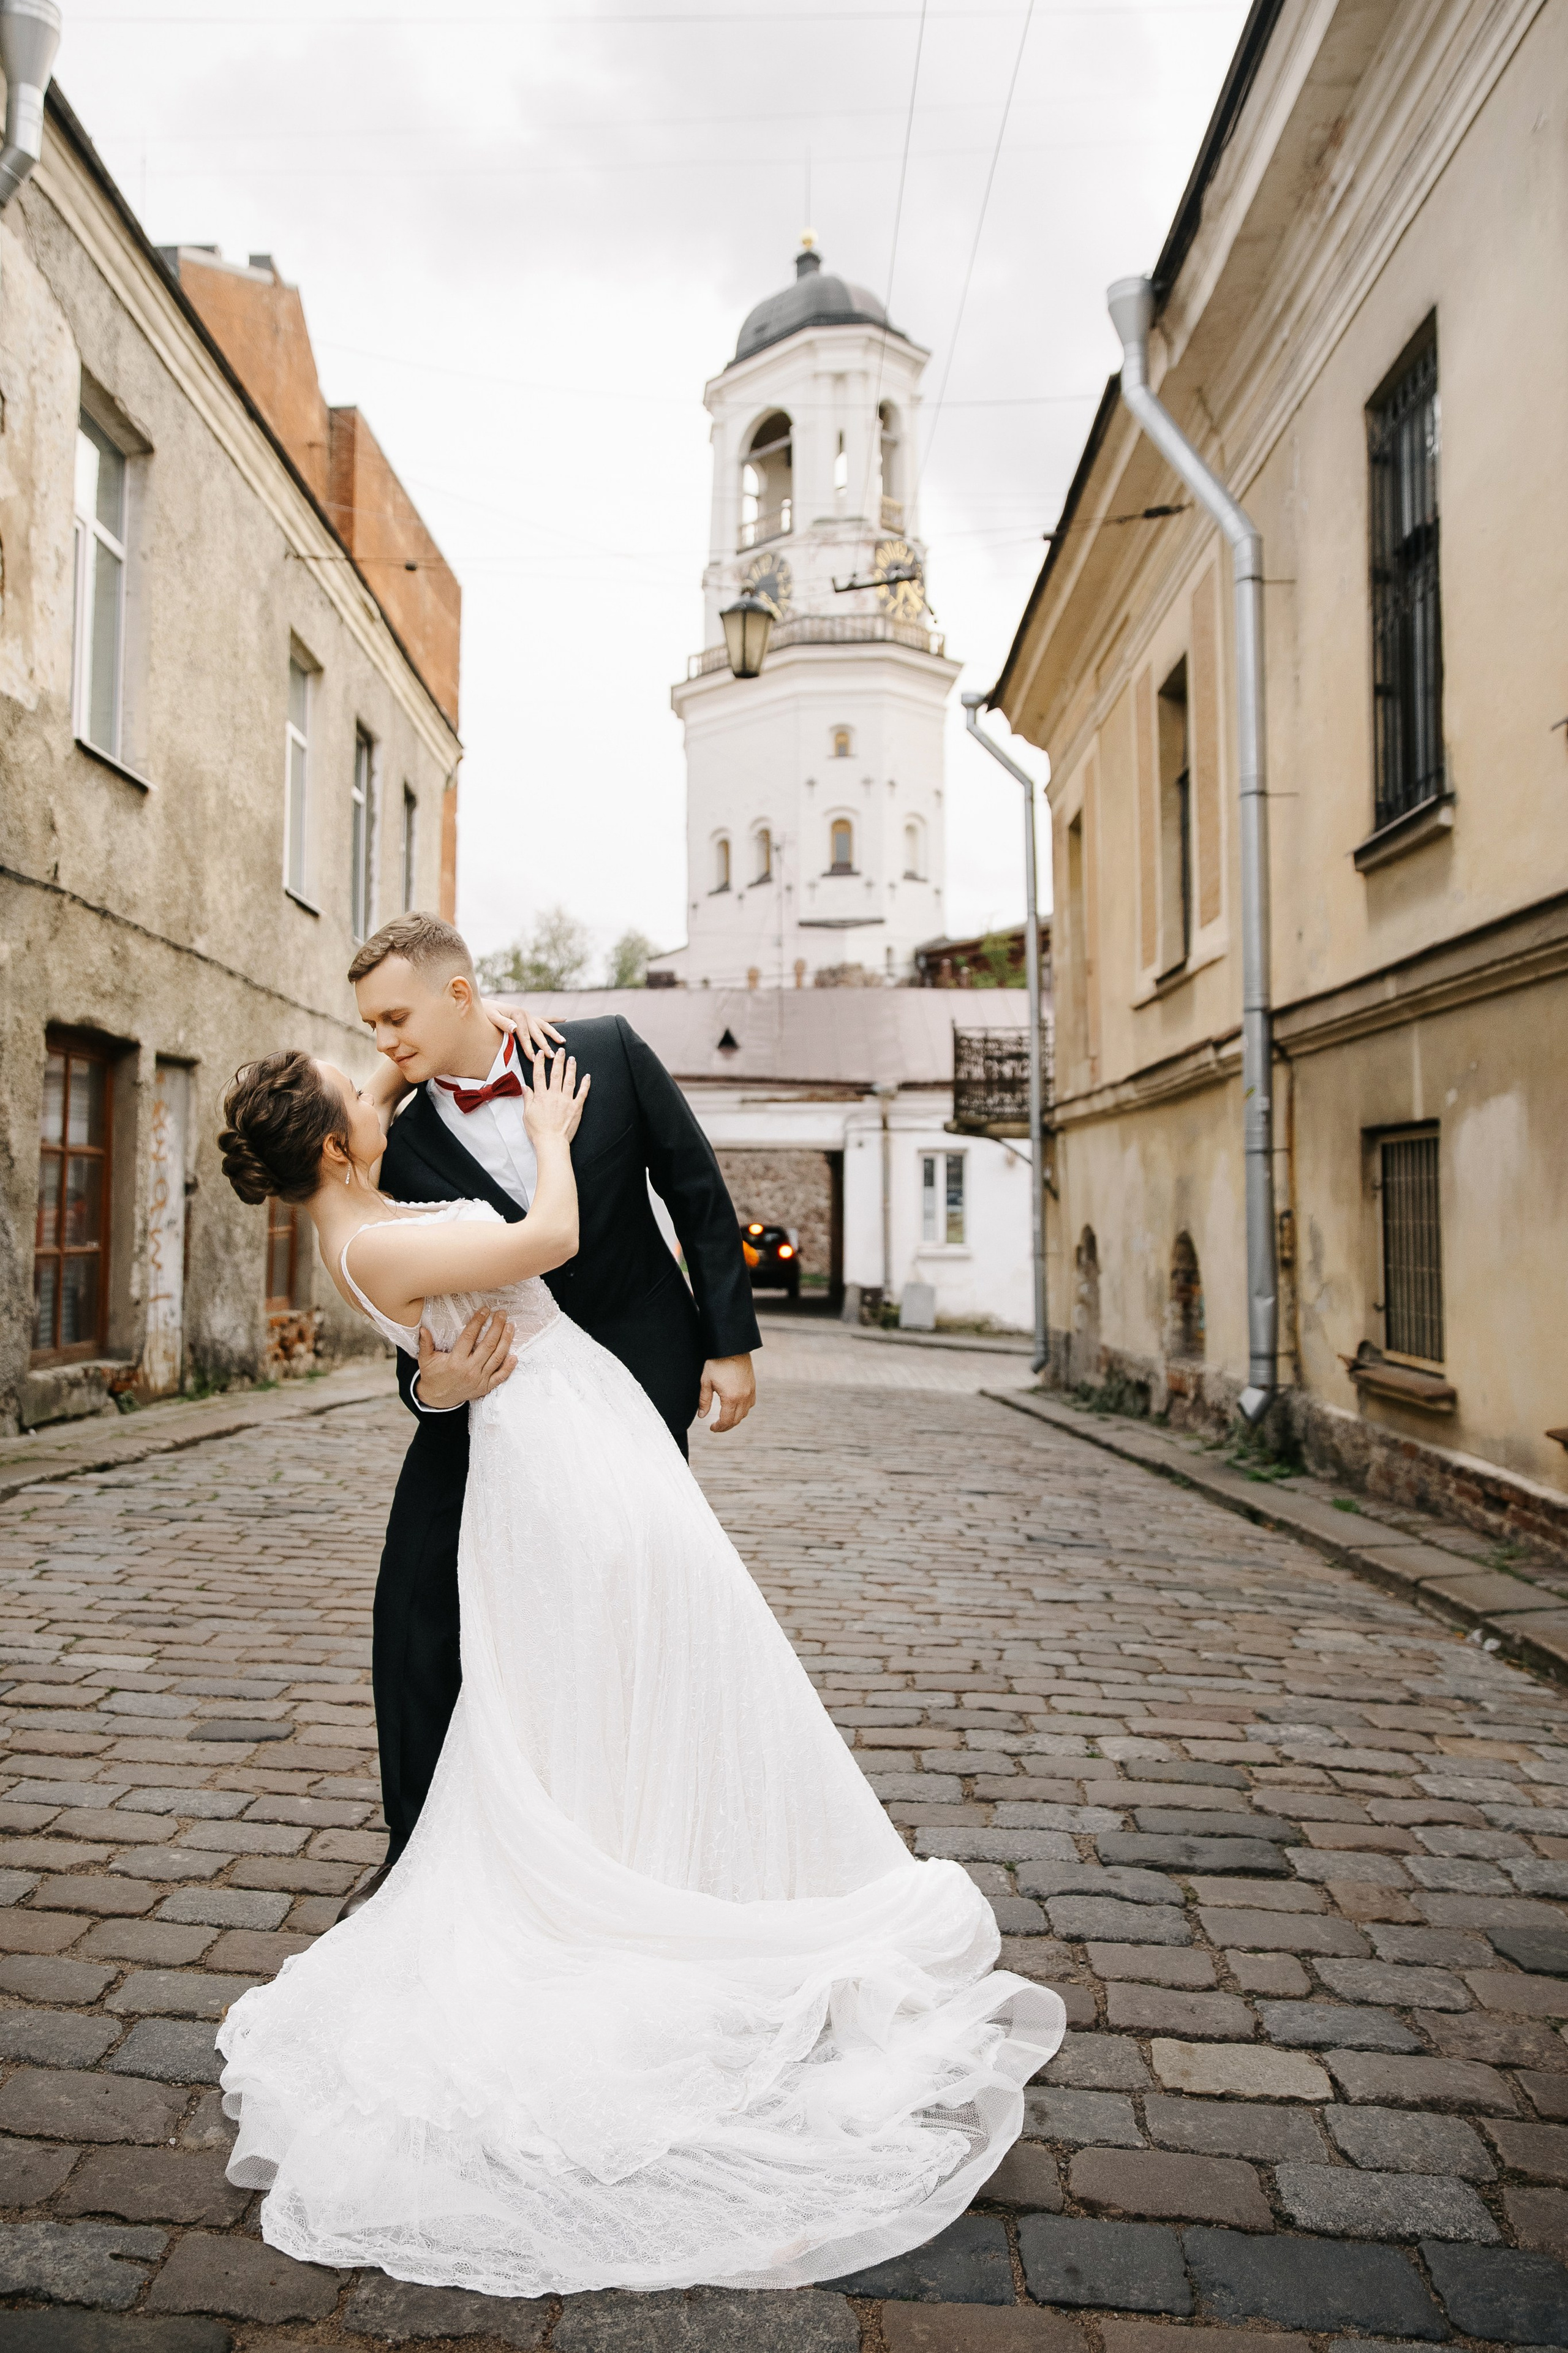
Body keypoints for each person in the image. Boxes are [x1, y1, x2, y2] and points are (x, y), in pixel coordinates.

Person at [211, 1042, 1063, 2298]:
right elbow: (550, 1239)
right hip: (560, 1458)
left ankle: (658, 1852)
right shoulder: (372, 1241)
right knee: (652, 1660)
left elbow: (382, 1116)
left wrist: (428, 1048)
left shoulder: (353, 1201)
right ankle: (644, 1893)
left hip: (575, 1427)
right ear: (334, 1145)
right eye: (356, 1083)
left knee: (631, 1675)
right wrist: (550, 1132)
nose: (375, 1078)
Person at [344, 913, 761, 1909]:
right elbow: (408, 1315)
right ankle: (417, 1853)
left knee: (624, 1602)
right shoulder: (397, 1148)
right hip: (493, 1399)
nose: (384, 1040)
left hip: (637, 1374)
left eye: (396, 1018)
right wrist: (429, 1391)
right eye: (370, 1027)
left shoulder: (606, 1050)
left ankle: (628, 1831)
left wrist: (730, 1343)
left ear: (459, 992)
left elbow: (695, 1187)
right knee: (418, 1600)